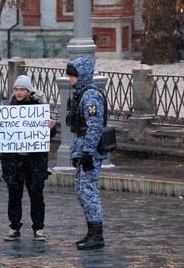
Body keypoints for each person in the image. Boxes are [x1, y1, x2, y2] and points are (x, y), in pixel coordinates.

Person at [0, 75, 56, 242]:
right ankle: (14, 227)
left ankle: (38, 228)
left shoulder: (39, 107)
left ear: (29, 90)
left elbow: (49, 134)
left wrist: (50, 127)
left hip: (34, 161)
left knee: (36, 195)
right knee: (14, 195)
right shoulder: (8, 109)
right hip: (14, 161)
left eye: (22, 89)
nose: (18, 92)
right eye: (16, 89)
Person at [66, 57, 106, 250]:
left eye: (73, 75)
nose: (69, 79)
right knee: (82, 191)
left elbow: (95, 126)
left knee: (88, 192)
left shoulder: (90, 96)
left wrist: (88, 153)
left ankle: (97, 235)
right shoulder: (82, 94)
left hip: (90, 150)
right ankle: (92, 231)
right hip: (84, 148)